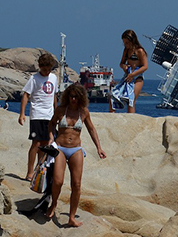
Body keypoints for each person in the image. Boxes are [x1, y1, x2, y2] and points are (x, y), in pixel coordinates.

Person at [46, 83, 106, 227]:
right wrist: (51, 138)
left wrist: (99, 148)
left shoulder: (84, 112)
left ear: (81, 98)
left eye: (76, 97)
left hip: (76, 150)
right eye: (71, 96)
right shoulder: (61, 110)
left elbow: (91, 129)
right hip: (60, 148)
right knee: (58, 181)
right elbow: (51, 124)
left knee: (77, 184)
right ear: (67, 96)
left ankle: (71, 217)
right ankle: (53, 204)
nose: (73, 99)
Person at [18, 53, 58, 181]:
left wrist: (57, 113)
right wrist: (22, 114)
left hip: (49, 116)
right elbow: (26, 95)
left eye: (49, 69)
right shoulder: (34, 79)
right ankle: (29, 172)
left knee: (46, 143)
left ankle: (38, 169)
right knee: (36, 143)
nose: (47, 72)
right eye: (45, 69)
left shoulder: (54, 78)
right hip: (37, 114)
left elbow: (54, 96)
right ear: (40, 67)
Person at [109, 29, 148, 113]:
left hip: (137, 77)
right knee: (113, 95)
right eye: (124, 43)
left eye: (127, 43)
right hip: (127, 76)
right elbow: (121, 63)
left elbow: (145, 66)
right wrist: (124, 67)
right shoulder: (126, 51)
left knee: (131, 99)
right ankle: (112, 116)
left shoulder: (139, 51)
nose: (125, 45)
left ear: (132, 40)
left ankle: (131, 120)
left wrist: (133, 75)